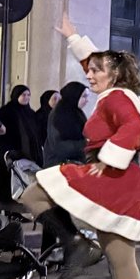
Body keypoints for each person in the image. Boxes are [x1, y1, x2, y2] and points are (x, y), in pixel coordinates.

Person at [19, 13, 140, 279]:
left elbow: (132, 129)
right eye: (89, 69)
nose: (89, 74)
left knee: (34, 193)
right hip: (125, 181)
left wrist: (107, 159)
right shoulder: (120, 92)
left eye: (97, 70)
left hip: (114, 177)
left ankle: (76, 244)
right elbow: (98, 61)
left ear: (114, 74)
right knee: (121, 257)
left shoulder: (116, 97)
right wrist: (74, 37)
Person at [40, 81, 88, 257]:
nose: (87, 100)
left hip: (70, 170)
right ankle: (55, 252)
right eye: (84, 96)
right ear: (74, 97)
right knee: (56, 212)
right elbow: (60, 147)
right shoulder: (59, 116)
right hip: (57, 170)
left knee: (60, 212)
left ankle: (61, 253)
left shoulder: (76, 114)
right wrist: (85, 144)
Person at [0, 85, 43, 206]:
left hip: (23, 154)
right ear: (16, 95)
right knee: (5, 185)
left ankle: (15, 212)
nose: (26, 98)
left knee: (20, 185)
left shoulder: (30, 113)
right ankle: (4, 211)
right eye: (23, 95)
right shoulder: (6, 111)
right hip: (7, 153)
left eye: (28, 95)